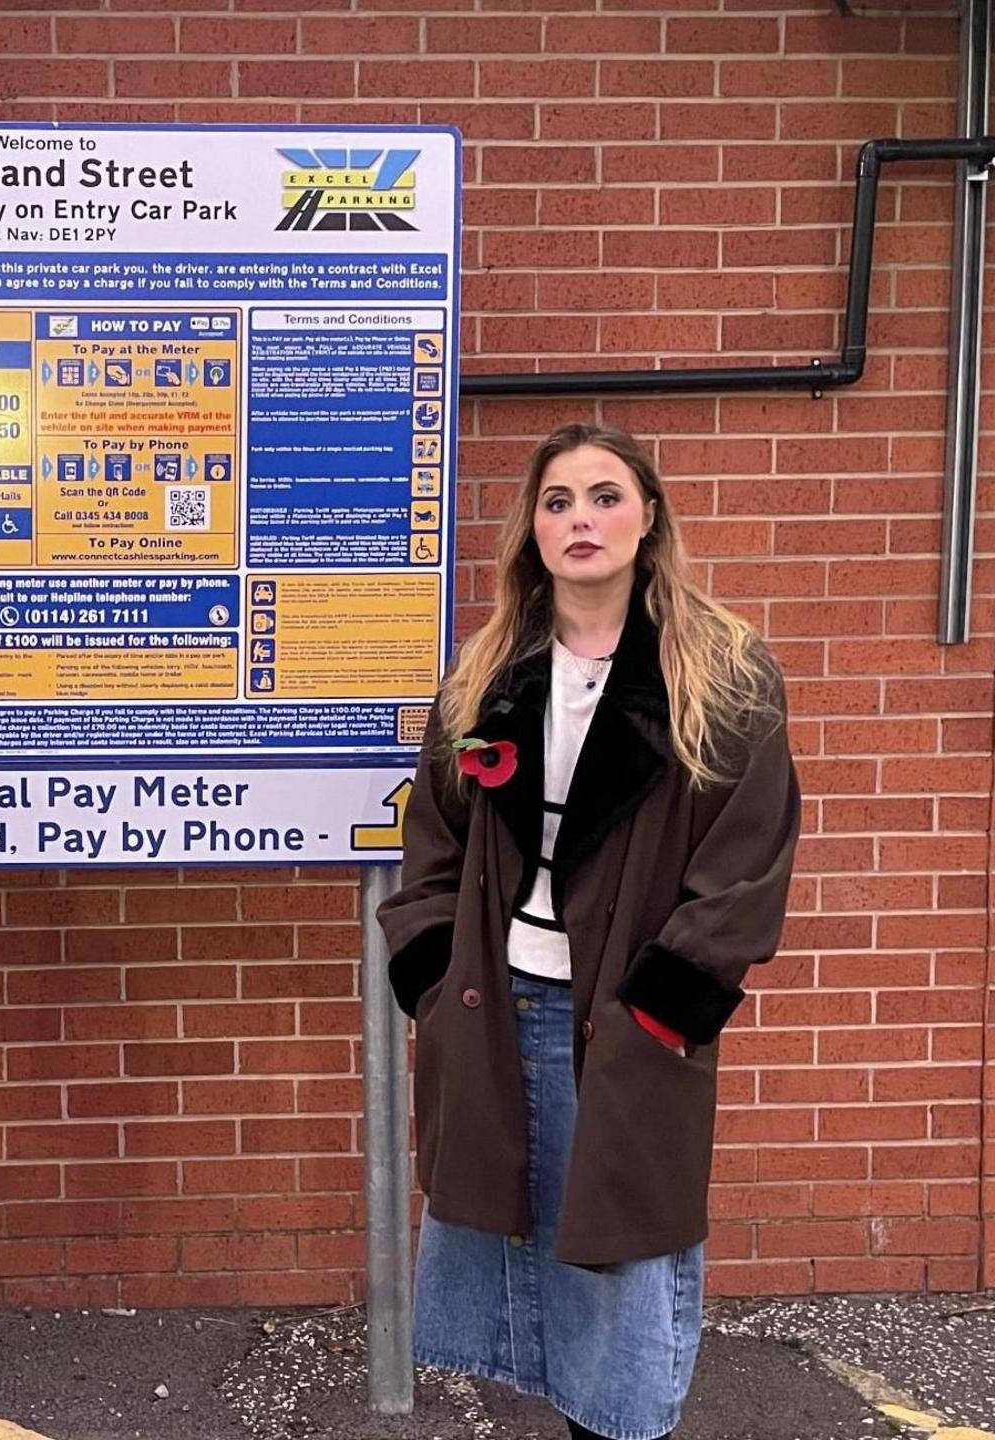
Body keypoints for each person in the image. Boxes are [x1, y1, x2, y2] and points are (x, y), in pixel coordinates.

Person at [377, 422, 803, 1440]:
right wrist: (430, 974)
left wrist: (663, 1009)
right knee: (518, 1267)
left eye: (605, 496)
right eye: (558, 500)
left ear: (648, 517)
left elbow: (745, 866)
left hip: (624, 1023)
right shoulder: (487, 675)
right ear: (531, 529)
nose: (582, 520)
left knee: (620, 1280)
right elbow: (431, 845)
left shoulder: (722, 675)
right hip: (492, 1011)